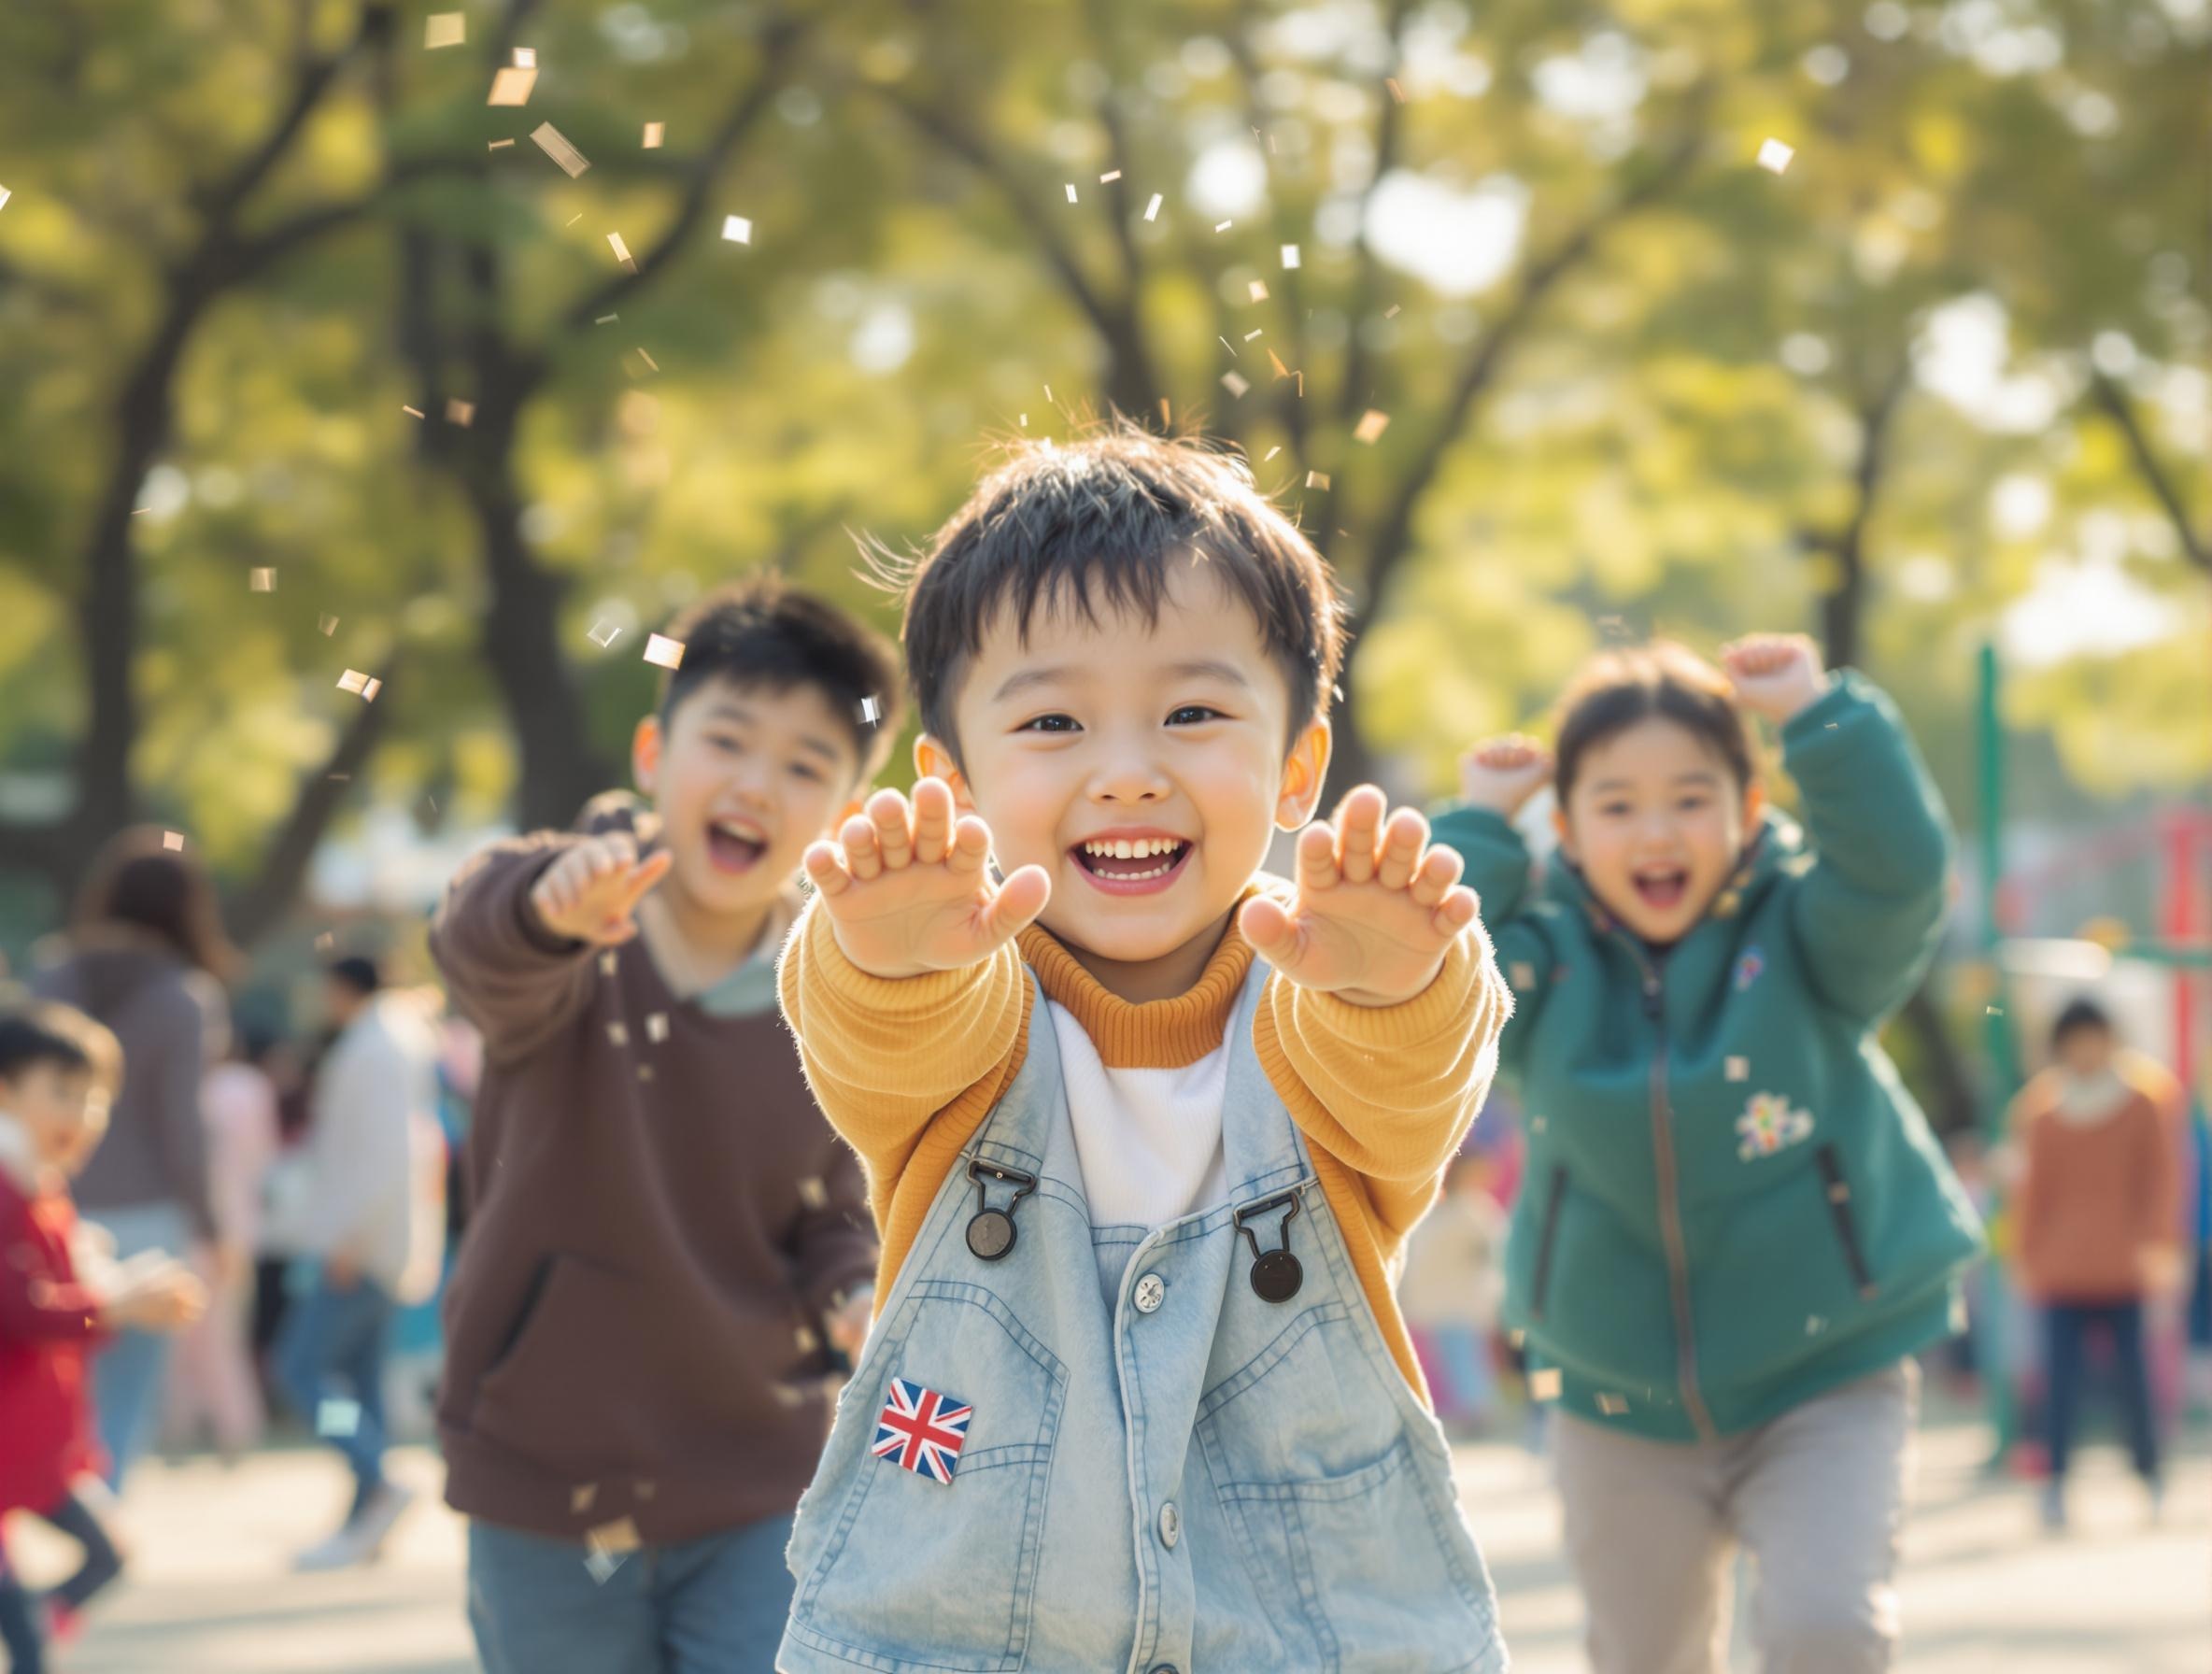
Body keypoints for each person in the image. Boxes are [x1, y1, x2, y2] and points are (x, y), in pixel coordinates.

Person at [776, 425, 1514, 1673]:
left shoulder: (1310, 1005)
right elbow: (885, 1040)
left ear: (1297, 768)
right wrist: (892, 957)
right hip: (968, 1636)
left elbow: (1401, 1092)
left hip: (1308, 1633)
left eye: (1191, 712)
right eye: (1054, 722)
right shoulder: (972, 1014)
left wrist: (1398, 991)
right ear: (950, 779)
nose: (1127, 773)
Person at [1442, 636, 1983, 1674]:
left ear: (1745, 812)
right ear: (1566, 826)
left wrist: (1818, 718)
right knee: (1646, 1657)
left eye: (1691, 798)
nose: (1656, 831)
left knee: (1827, 1628)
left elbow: (1899, 874)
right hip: (1615, 1392)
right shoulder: (1541, 963)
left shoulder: (1807, 936)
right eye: (1615, 804)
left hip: (1826, 1370)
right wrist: (1480, 825)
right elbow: (1435, 967)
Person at [428, 575, 898, 1674]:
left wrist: (853, 1289)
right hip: (543, 1473)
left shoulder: (831, 990)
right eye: (726, 741)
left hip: (757, 1475)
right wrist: (549, 911)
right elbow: (479, 943)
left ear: (840, 811)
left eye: (805, 766)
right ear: (653, 753)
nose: (756, 785)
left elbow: (830, 1206)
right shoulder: (571, 923)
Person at [0, 1003, 205, 1672]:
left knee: (107, 1555)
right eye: (62, 1092)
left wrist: (116, 1293)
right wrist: (115, 1306)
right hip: (13, 1442)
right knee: (29, 1645)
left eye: (95, 1100)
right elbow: (24, 1313)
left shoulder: (40, 1190)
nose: (83, 1116)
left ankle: (33, 1620)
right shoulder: (8, 1190)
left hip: (35, 1445)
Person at [29, 829, 234, 1487]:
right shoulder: (184, 997)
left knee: (53, 1394)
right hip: (150, 1219)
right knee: (122, 1405)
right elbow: (184, 1128)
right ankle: (95, 1547)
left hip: (54, 1209)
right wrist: (211, 1224)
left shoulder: (53, 974)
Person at [261, 956, 439, 1570]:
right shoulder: (396, 1039)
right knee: (362, 1384)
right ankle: (367, 1514)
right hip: (381, 1240)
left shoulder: (374, 1047)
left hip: (360, 1242)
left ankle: (377, 1473)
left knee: (302, 1369)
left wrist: (349, 1236)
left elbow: (381, 1155)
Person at [2009, 996, 2178, 1528]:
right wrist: (2026, 1253)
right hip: (2061, 1272)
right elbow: (2031, 1192)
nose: (2086, 1049)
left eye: (2094, 1037)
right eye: (2076, 1039)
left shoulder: (2142, 1101)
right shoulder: (2041, 1110)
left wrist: (2158, 1244)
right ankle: (2054, 1483)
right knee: (2058, 1383)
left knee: (2134, 1379)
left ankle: (2150, 1475)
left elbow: (2160, 1180)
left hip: (2125, 1266)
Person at [163, 1022, 282, 1457]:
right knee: (218, 1332)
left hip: (206, 1226)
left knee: (195, 1333)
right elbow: (264, 1159)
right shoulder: (247, 1087)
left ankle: (216, 1424)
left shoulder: (200, 1090)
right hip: (238, 1226)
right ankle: (226, 1424)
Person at [1398, 1151, 1508, 1435]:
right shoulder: (1447, 1208)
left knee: (1463, 1356)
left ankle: (1477, 1412)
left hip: (1461, 1301)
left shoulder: (1472, 1209)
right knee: (1453, 1358)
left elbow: (1496, 1249)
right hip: (1444, 1300)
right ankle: (1469, 1410)